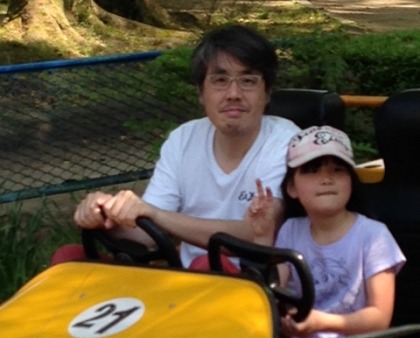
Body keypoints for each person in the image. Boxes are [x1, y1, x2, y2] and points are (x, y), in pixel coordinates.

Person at [53, 24, 300, 269]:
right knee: (69, 258)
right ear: (201, 93)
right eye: (220, 80)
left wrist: (156, 215)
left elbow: (255, 233)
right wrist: (107, 215)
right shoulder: (183, 139)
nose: (233, 93)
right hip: (187, 276)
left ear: (267, 92)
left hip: (253, 280)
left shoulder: (287, 142)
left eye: (247, 81)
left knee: (208, 265)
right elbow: (147, 234)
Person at [247, 125, 406, 338]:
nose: (326, 179)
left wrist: (321, 322)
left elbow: (380, 318)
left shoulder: (373, 235)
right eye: (312, 170)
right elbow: (270, 292)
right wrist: (262, 235)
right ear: (292, 188)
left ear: (351, 181)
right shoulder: (290, 230)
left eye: (337, 170)